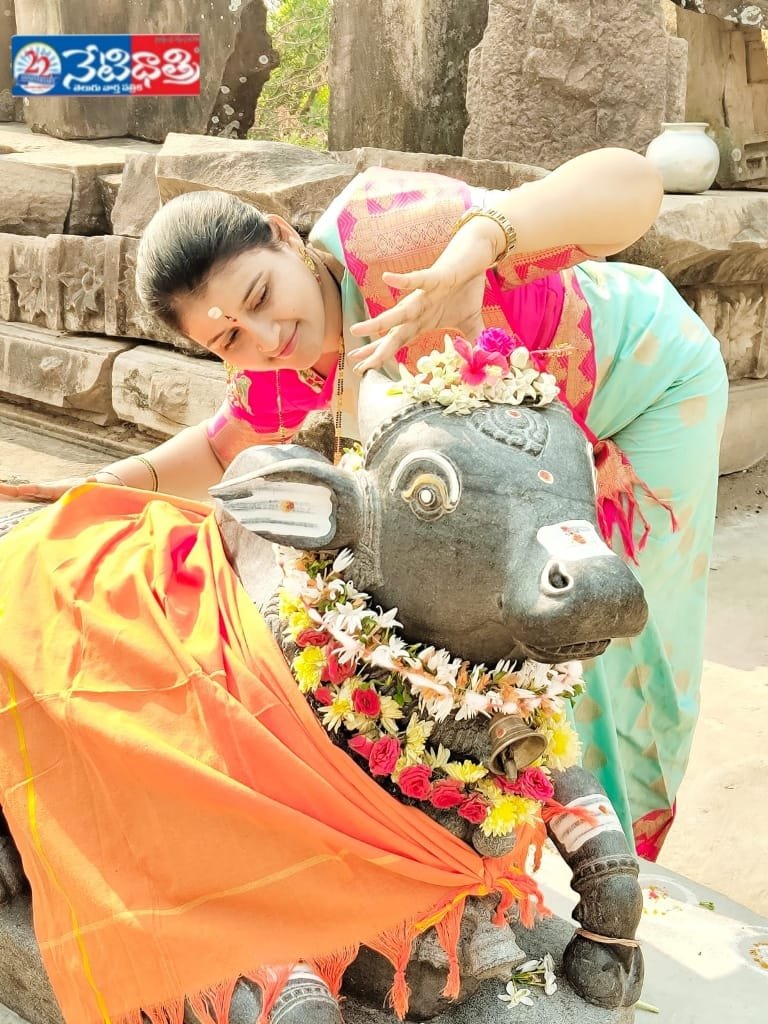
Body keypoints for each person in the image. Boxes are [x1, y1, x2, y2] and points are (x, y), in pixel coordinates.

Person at [0, 147, 728, 862]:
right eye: (229, 338)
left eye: (259, 297)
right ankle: (531, 847)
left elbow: (635, 184)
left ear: (284, 235)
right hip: (532, 461)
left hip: (644, 391)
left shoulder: (384, 234)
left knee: (612, 637)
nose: (268, 338)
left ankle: (619, 866)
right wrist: (105, 484)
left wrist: (475, 243)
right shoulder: (282, 364)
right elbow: (224, 448)